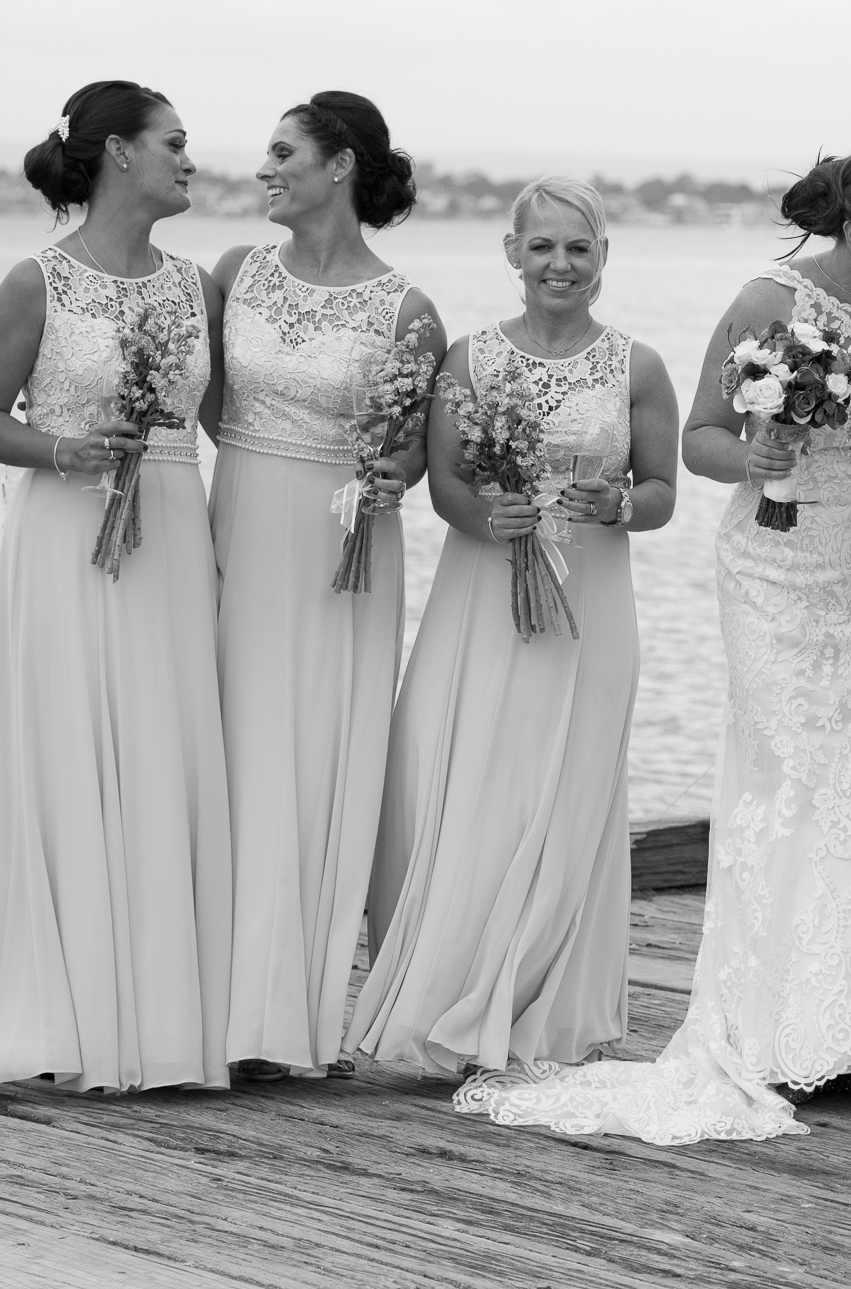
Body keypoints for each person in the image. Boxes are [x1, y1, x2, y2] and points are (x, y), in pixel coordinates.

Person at [454, 142, 851, 1143]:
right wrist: (762, 448)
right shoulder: (764, 303)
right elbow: (698, 441)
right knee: (784, 788)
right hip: (778, 574)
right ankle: (771, 1034)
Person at [0, 81, 232, 1092]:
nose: (188, 158)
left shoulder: (193, 284)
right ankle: (56, 1007)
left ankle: (157, 1016)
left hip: (166, 526)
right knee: (66, 751)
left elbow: (229, 426)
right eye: (174, 142)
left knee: (162, 752)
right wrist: (70, 448)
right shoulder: (35, 281)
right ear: (117, 153)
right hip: (63, 534)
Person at [345, 176, 678, 1078]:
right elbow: (447, 481)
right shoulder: (468, 359)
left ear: (604, 257)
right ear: (512, 255)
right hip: (484, 596)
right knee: (470, 774)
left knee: (566, 788)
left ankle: (538, 999)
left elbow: (662, 495)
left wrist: (619, 501)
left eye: (578, 248)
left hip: (592, 605)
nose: (560, 265)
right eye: (542, 247)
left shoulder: (638, 368)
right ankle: (443, 986)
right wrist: (492, 522)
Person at [209, 92, 444, 1083]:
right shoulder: (231, 274)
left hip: (342, 552)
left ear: (338, 164)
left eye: (282, 152)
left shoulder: (407, 310)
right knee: (225, 748)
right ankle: (211, 1001)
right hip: (238, 527)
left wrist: (394, 478)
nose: (264, 170)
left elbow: (411, 453)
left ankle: (290, 1012)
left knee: (314, 758)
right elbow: (210, 410)